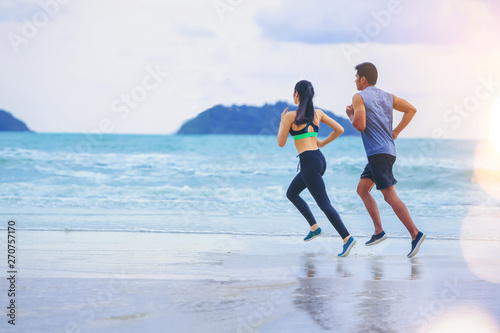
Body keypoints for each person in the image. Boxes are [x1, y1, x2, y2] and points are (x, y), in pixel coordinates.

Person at [345, 62, 425, 258]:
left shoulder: (359, 97)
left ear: (363, 79)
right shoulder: (388, 97)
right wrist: (395, 131)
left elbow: (360, 125)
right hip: (386, 151)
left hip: (378, 154)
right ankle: (378, 231)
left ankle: (415, 234)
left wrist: (351, 115)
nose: (355, 80)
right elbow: (411, 110)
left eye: (356, 77)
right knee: (362, 189)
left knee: (390, 196)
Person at [278, 80, 356, 257]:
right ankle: (314, 227)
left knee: (324, 204)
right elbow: (340, 129)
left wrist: (283, 122)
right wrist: (322, 143)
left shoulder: (290, 116)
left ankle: (347, 237)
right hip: (319, 160)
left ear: (296, 94)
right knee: (292, 193)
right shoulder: (318, 114)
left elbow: (281, 143)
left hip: (308, 163)